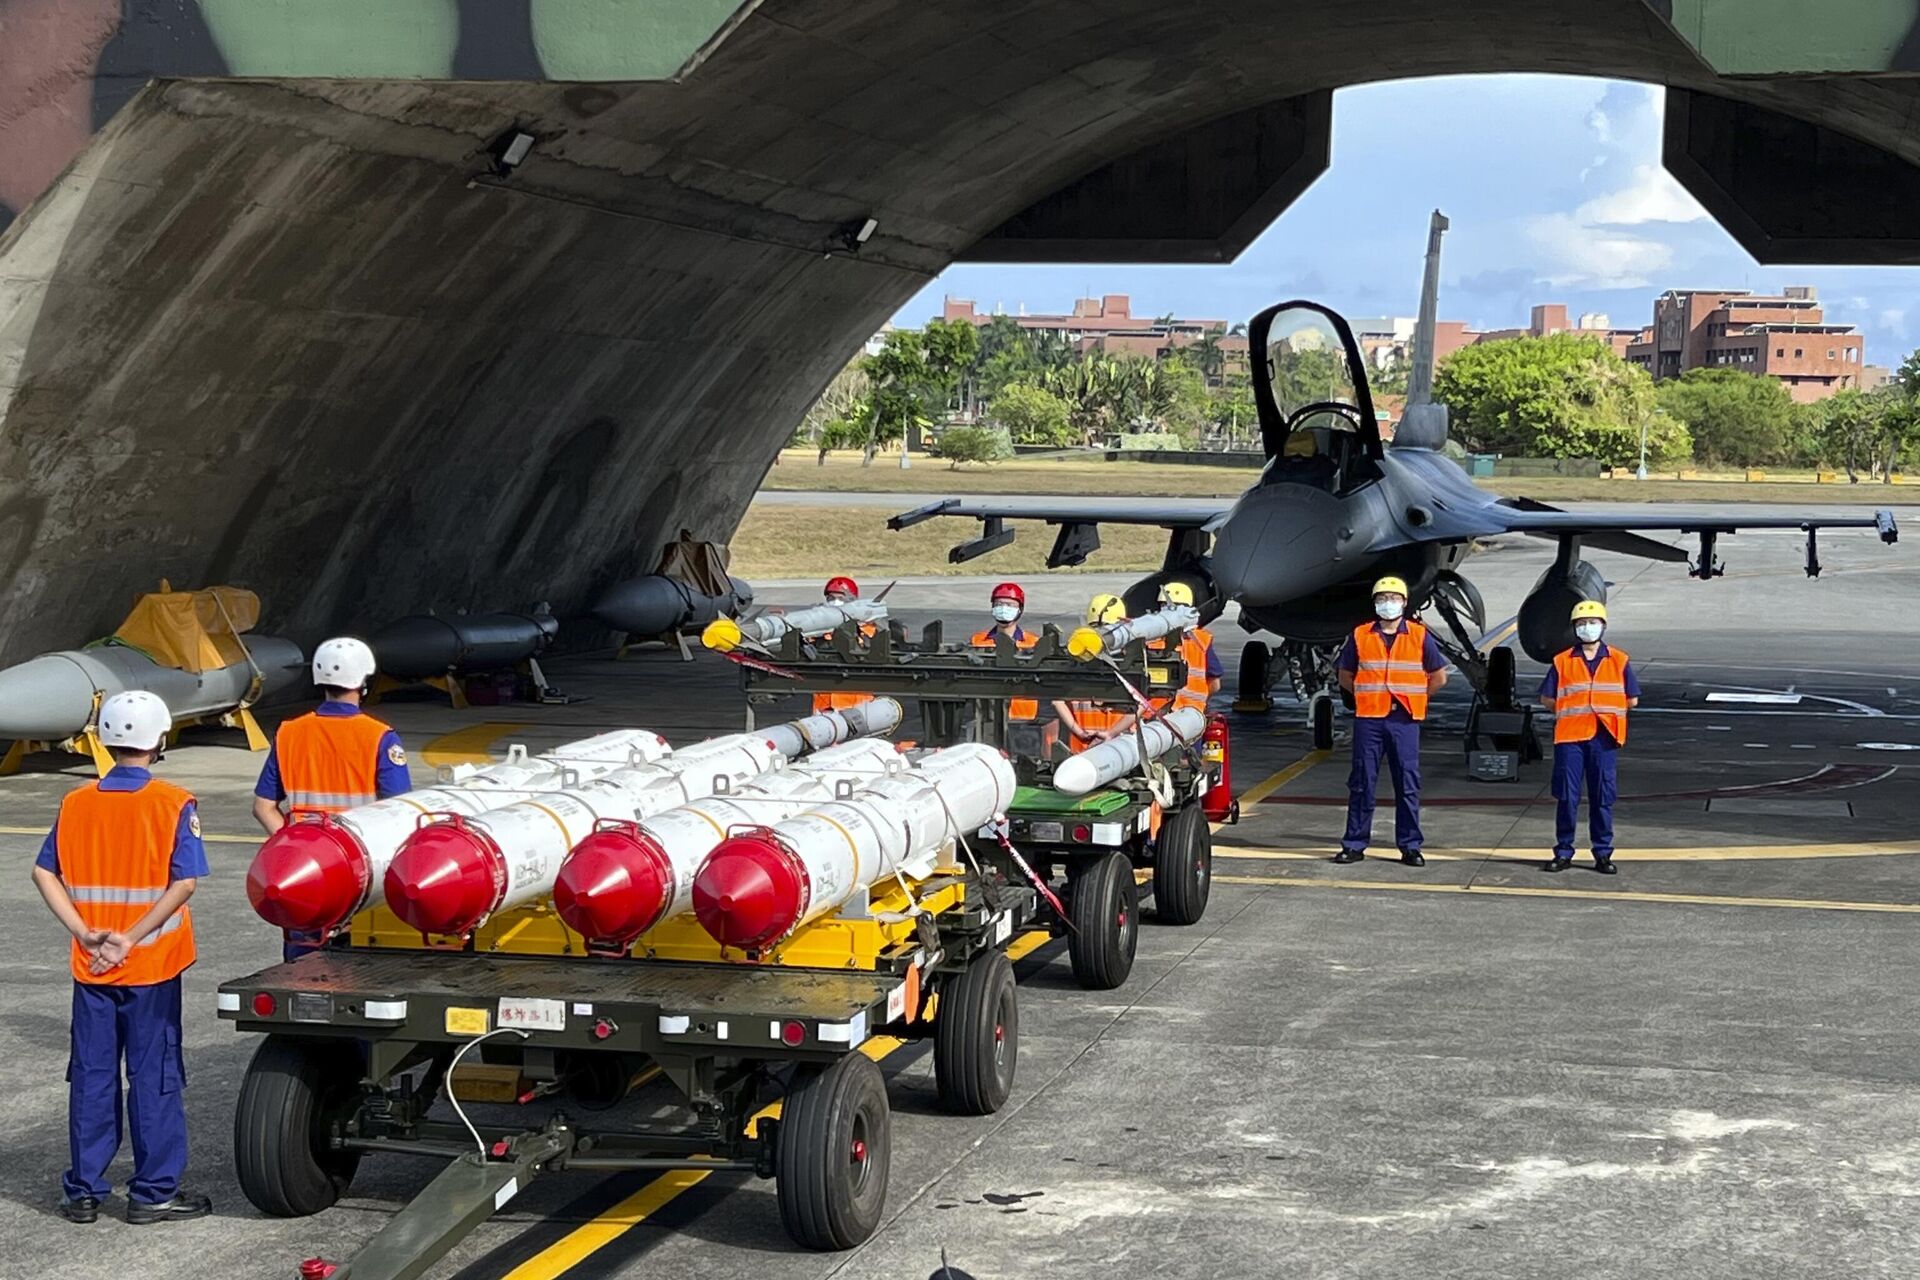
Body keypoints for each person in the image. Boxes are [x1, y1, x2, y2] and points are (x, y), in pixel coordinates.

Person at [33, 691, 213, 1225]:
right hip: (150, 968)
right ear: (159, 740)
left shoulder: (76, 803)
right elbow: (184, 884)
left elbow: (45, 872)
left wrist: (85, 933)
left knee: (91, 1075)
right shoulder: (174, 803)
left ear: (106, 741)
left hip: (91, 969)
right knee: (154, 1075)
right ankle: (153, 1192)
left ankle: (84, 1190)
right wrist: (130, 937)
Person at [253, 637, 411, 959]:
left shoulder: (289, 733)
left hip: (306, 877)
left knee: (301, 973)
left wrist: (294, 849)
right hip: (359, 878)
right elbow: (400, 813)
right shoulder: (378, 737)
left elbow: (263, 807)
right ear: (364, 682)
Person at [1332, 576, 1449, 867]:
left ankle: (1410, 845)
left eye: (1393, 598)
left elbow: (1439, 677)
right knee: (1362, 782)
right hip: (1370, 718)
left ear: (1405, 603)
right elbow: (1345, 675)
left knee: (1408, 784)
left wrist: (1416, 698)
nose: (1388, 604)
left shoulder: (1420, 636)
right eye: (1382, 599)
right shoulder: (1360, 635)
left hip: (1404, 719)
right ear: (1374, 603)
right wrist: (1366, 695)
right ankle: (1354, 843)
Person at [1540, 600, 1640, 875]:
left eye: (1592, 623)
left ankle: (1603, 853)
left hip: (1604, 737)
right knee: (1567, 797)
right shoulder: (1562, 661)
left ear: (1603, 626)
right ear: (1574, 628)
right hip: (1571, 737)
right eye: (1582, 624)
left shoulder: (1619, 660)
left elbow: (1632, 700)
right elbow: (1547, 698)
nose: (1588, 628)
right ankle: (1563, 851)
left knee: (1602, 797)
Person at [1057, 593, 1129, 749]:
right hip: (1117, 746)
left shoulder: (1076, 661)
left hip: (1086, 746)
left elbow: (1056, 698)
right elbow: (1142, 703)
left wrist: (1078, 731)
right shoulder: (1129, 663)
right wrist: (1111, 733)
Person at [971, 582, 1041, 721]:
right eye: (999, 604)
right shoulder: (977, 640)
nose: (1004, 608)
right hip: (986, 716)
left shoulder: (1033, 642)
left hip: (1023, 716)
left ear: (1020, 609)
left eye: (1010, 605)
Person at [813, 576, 879, 714]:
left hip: (857, 705)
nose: (835, 602)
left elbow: (865, 646)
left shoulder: (867, 629)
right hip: (825, 705)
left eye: (840, 597)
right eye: (830, 598)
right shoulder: (819, 631)